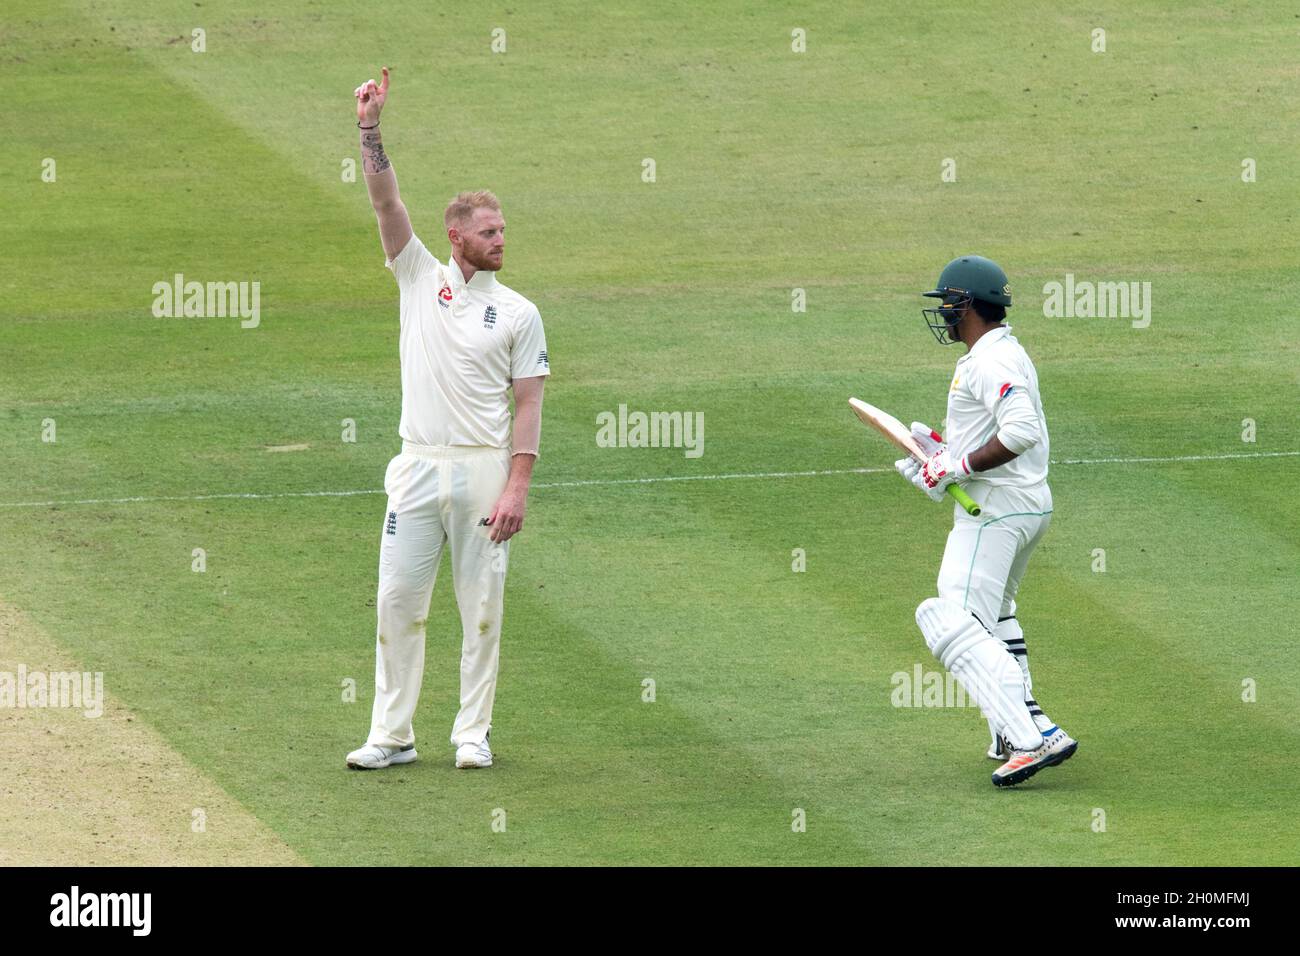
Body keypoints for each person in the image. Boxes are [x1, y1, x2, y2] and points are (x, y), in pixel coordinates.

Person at [344, 68, 550, 771]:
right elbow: (384, 201)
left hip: (484, 467)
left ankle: (471, 734)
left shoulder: (519, 312)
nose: (500, 239)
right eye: (488, 231)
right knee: (397, 598)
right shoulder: (417, 276)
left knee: (481, 608)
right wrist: (369, 127)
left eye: (502, 230)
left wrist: (517, 487)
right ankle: (392, 735)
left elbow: (529, 403)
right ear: (455, 235)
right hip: (417, 464)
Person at [895, 255, 1076, 787]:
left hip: (996, 511)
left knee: (951, 620)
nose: (945, 313)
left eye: (949, 303)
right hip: (1025, 504)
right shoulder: (1000, 353)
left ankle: (1031, 738)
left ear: (968, 306)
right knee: (994, 617)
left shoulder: (987, 363)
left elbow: (1020, 432)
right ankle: (1014, 727)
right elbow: (994, 434)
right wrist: (940, 456)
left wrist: (962, 465)